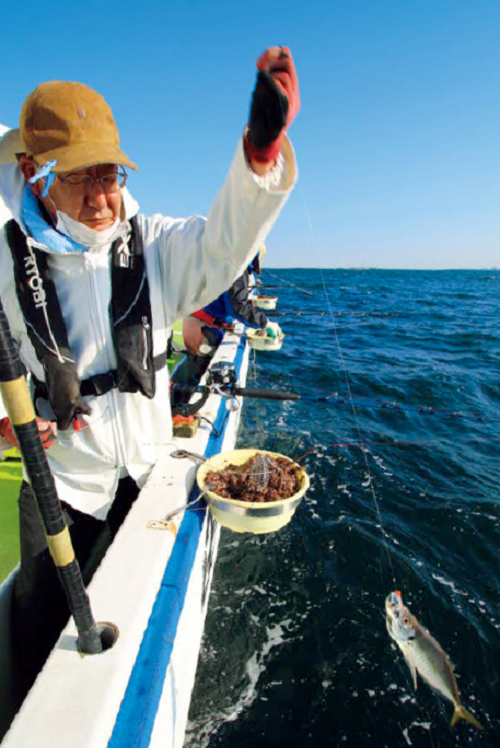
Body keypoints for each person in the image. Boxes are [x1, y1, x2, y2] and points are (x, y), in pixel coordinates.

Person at [0, 45, 300, 696]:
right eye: (82, 177)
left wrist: (258, 157)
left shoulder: (155, 245)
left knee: (124, 638)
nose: (104, 195)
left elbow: (223, 243)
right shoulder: (6, 260)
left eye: (112, 174)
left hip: (145, 481)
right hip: (60, 493)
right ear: (32, 171)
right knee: (34, 649)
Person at [183, 246, 282, 356]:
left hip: (197, 323)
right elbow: (238, 307)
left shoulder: (224, 260)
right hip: (204, 331)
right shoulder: (237, 266)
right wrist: (266, 324)